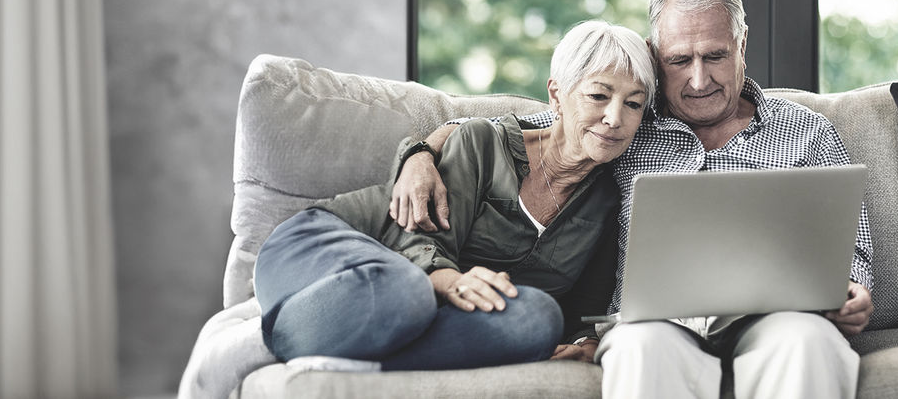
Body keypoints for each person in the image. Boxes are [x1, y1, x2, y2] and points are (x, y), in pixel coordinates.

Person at [388, 0, 874, 397]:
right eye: (680, 61)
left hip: (777, 318)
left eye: (715, 56)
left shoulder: (806, 130)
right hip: (652, 323)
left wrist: (852, 291)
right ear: (654, 55)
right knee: (641, 351)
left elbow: (850, 248)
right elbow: (528, 129)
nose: (700, 79)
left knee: (809, 343)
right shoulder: (625, 122)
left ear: (741, 44)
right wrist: (422, 151)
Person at [253, 20, 653, 372]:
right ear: (556, 95)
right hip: (330, 246)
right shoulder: (483, 142)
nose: (615, 118)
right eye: (598, 96)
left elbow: (581, 310)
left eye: (632, 104)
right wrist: (453, 281)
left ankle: (350, 358)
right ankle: (285, 340)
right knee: (407, 291)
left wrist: (586, 343)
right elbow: (418, 237)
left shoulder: (606, 200)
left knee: (537, 319)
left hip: (413, 303)